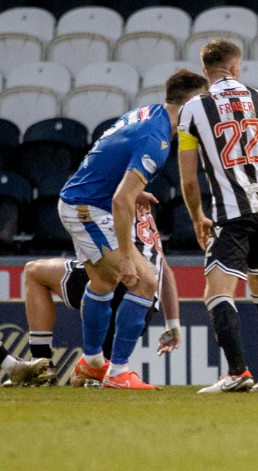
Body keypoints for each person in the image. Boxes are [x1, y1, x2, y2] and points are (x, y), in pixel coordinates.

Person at [55, 68, 208, 390]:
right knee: (144, 281)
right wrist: (126, 256)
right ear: (190, 103)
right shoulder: (157, 139)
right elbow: (122, 200)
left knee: (103, 281)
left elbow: (105, 158)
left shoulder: (146, 113)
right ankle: (118, 372)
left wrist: (133, 190)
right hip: (88, 208)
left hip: (80, 199)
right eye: (203, 105)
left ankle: (93, 363)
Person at [178, 39, 258, 393]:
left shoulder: (192, 110)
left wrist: (197, 218)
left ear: (205, 72)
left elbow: (188, 179)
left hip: (231, 213)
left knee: (216, 293)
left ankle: (237, 372)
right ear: (236, 67)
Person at [21, 206, 182, 386]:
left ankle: (40, 364)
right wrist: (173, 324)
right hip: (143, 305)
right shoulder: (146, 216)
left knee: (34, 271)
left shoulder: (114, 195)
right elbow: (165, 272)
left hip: (119, 281)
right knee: (82, 377)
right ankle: (101, 374)